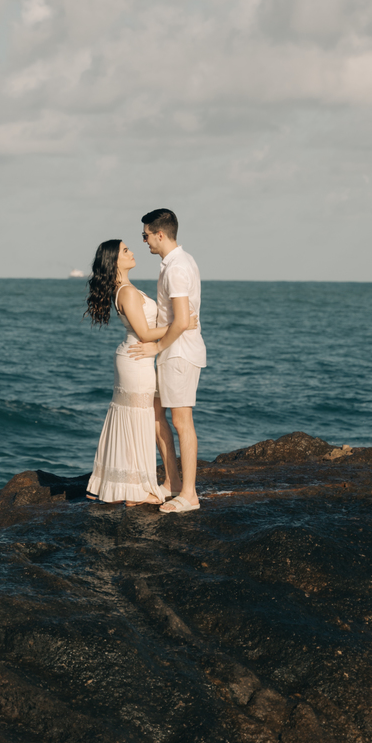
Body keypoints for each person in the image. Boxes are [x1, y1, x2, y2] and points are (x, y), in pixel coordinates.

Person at [83, 238, 198, 508]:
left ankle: (117, 485)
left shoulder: (126, 289)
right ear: (114, 261)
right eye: (125, 250)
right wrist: (181, 324)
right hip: (137, 359)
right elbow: (145, 333)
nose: (132, 252)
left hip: (138, 358)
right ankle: (135, 490)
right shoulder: (126, 292)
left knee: (135, 420)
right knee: (137, 422)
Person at [126, 208, 206, 514]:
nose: (144, 241)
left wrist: (156, 346)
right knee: (159, 414)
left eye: (145, 235)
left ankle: (189, 494)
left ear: (160, 234)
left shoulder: (177, 267)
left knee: (182, 421)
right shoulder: (176, 263)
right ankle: (172, 482)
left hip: (180, 353)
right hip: (172, 352)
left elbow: (183, 320)